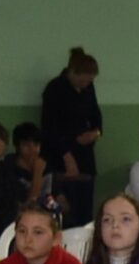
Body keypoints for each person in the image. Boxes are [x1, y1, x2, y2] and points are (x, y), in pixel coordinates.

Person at [39, 47, 103, 218]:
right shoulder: (55, 89)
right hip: (59, 155)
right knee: (63, 210)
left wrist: (96, 132)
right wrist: (67, 156)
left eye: (89, 82)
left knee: (85, 208)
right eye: (82, 81)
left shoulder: (89, 89)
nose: (86, 85)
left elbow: (95, 113)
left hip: (84, 154)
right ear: (72, 73)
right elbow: (49, 127)